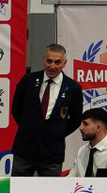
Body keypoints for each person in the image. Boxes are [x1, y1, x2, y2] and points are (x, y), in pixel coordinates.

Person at [10, 43, 85, 176]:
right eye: (49, 61)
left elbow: (75, 119)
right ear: (43, 60)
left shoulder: (73, 88)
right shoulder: (28, 80)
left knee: (51, 189)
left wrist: (56, 132)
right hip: (25, 149)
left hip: (52, 152)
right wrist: (29, 128)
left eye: (57, 62)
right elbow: (16, 109)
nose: (52, 66)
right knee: (18, 187)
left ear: (64, 63)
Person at [71, 108, 107, 177]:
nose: (81, 128)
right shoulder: (82, 151)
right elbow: (71, 179)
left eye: (85, 124)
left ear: (98, 128)